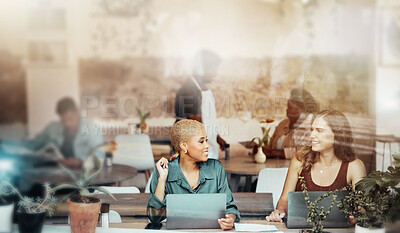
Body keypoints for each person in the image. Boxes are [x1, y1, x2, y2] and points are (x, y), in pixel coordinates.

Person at [266, 110, 366, 222]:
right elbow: (284, 200)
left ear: (337, 135)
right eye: (312, 130)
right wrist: (280, 211)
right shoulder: (300, 161)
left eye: (319, 131)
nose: (312, 135)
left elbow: (361, 208)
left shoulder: (354, 166)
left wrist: (356, 216)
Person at [147, 119, 240, 230]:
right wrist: (162, 179)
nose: (207, 146)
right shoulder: (163, 171)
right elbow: (154, 217)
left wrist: (230, 219)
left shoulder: (216, 169)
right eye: (201, 141)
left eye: (206, 140)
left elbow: (230, 208)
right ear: (184, 146)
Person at [2, 97, 104, 168]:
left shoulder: (92, 128)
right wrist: (5, 143)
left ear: (78, 111)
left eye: (70, 118)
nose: (67, 124)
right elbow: (33, 144)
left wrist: (80, 162)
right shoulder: (53, 128)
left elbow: (100, 156)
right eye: (64, 120)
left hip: (84, 178)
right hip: (57, 175)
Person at [174, 49, 226, 159]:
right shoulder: (190, 89)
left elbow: (208, 119)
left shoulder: (203, 88)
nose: (215, 74)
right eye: (213, 69)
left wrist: (217, 138)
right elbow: (196, 124)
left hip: (206, 149)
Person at [261, 88, 319, 159]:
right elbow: (270, 147)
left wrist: (278, 153)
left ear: (301, 110)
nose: (286, 110)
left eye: (290, 107)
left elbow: (307, 152)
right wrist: (260, 149)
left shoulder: (311, 126)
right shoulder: (283, 124)